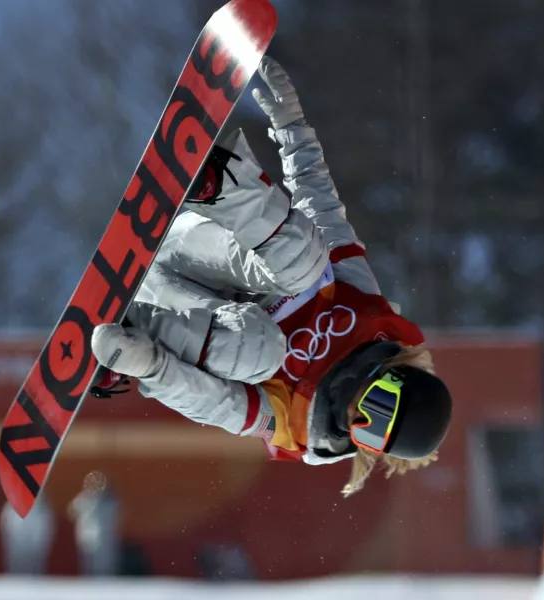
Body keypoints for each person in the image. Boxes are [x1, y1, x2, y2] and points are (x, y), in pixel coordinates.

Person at [90, 56, 453, 497]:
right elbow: (319, 202)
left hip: (170, 309)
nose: (359, 416)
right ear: (393, 377)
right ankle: (217, 181)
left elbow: (214, 404)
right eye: (379, 407)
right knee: (308, 264)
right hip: (199, 245)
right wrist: (291, 125)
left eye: (369, 435)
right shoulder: (364, 308)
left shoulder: (299, 424)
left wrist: (148, 367)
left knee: (261, 353)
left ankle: (133, 333)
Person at [68, 471, 122, 577]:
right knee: (88, 563)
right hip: (86, 536)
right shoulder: (84, 498)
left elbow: (117, 515)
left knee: (105, 562)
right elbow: (71, 511)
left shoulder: (110, 501)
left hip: (105, 538)